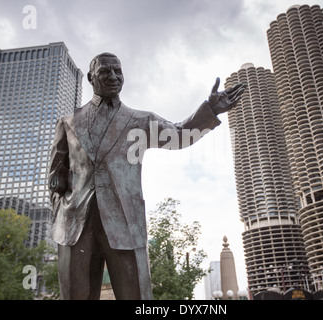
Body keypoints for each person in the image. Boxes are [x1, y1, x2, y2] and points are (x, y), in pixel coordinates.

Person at [48, 52, 246, 299]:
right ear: (90, 77)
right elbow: (55, 177)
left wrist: (210, 110)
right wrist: (61, 210)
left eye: (118, 71)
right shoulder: (67, 123)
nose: (113, 76)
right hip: (74, 227)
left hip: (126, 224)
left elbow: (179, 134)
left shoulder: (139, 121)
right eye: (105, 71)